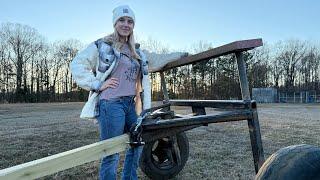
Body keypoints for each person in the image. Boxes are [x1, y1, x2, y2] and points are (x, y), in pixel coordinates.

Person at [70, 5, 151, 180]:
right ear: (115, 23)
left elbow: (158, 59)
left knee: (138, 143)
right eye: (121, 20)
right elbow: (77, 64)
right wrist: (98, 84)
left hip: (130, 105)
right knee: (111, 152)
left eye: (130, 21)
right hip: (111, 103)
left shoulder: (136, 52)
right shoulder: (103, 45)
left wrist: (182, 55)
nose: (126, 24)